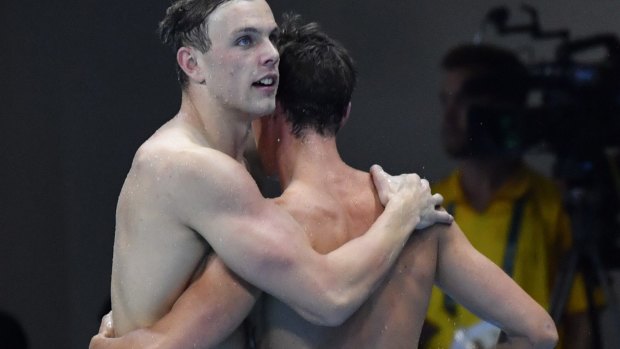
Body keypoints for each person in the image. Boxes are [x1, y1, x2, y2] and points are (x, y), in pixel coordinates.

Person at [91, 14, 558, 349]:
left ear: (269, 113)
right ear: (345, 113)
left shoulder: (267, 237)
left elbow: (165, 345)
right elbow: (539, 332)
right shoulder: (424, 217)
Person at [421, 43, 591, 349]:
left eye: (463, 100)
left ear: (501, 107)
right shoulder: (430, 203)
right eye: (445, 100)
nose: (448, 115)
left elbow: (581, 321)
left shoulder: (553, 206)